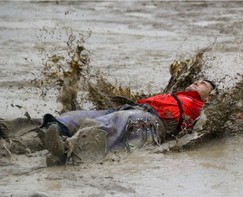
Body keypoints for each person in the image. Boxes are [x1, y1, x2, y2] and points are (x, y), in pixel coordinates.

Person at [1, 79, 216, 166]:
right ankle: (25, 138)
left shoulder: (203, 107)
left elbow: (221, 119)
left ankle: (67, 148)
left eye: (204, 83)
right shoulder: (173, 95)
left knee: (119, 119)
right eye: (197, 80)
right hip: (132, 110)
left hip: (152, 124)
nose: (198, 82)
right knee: (77, 116)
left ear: (210, 95)